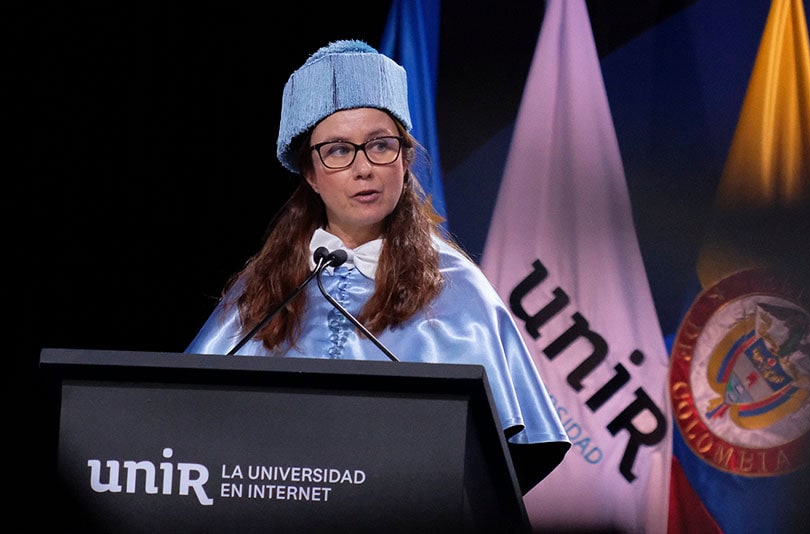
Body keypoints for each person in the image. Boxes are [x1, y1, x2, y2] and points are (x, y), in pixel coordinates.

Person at [186, 39, 569, 493]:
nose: (362, 168)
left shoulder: (457, 288)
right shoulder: (263, 290)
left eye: (380, 145)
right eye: (337, 150)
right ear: (310, 173)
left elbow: (510, 460)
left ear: (405, 159)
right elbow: (189, 423)